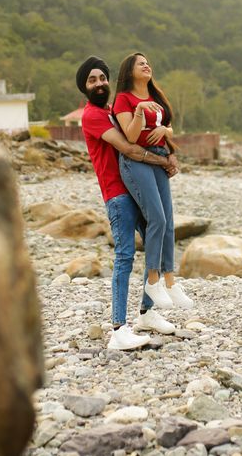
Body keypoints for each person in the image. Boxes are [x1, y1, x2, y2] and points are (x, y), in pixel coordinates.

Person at [76, 56, 181, 351]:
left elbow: (147, 133)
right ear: (85, 87)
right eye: (92, 80)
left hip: (137, 187)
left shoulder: (114, 109)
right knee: (124, 256)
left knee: (155, 241)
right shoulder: (92, 116)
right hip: (117, 193)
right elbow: (128, 148)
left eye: (102, 78)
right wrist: (164, 161)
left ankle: (147, 313)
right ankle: (119, 329)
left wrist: (169, 151)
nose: (99, 84)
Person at [113, 52, 194, 313]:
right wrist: (138, 112)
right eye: (140, 63)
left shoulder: (156, 97)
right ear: (129, 71)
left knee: (169, 222)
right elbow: (131, 136)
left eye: (148, 62)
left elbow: (168, 127)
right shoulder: (124, 99)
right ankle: (153, 280)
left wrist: (165, 131)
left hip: (159, 158)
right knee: (156, 219)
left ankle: (170, 281)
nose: (147, 65)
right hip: (137, 163)